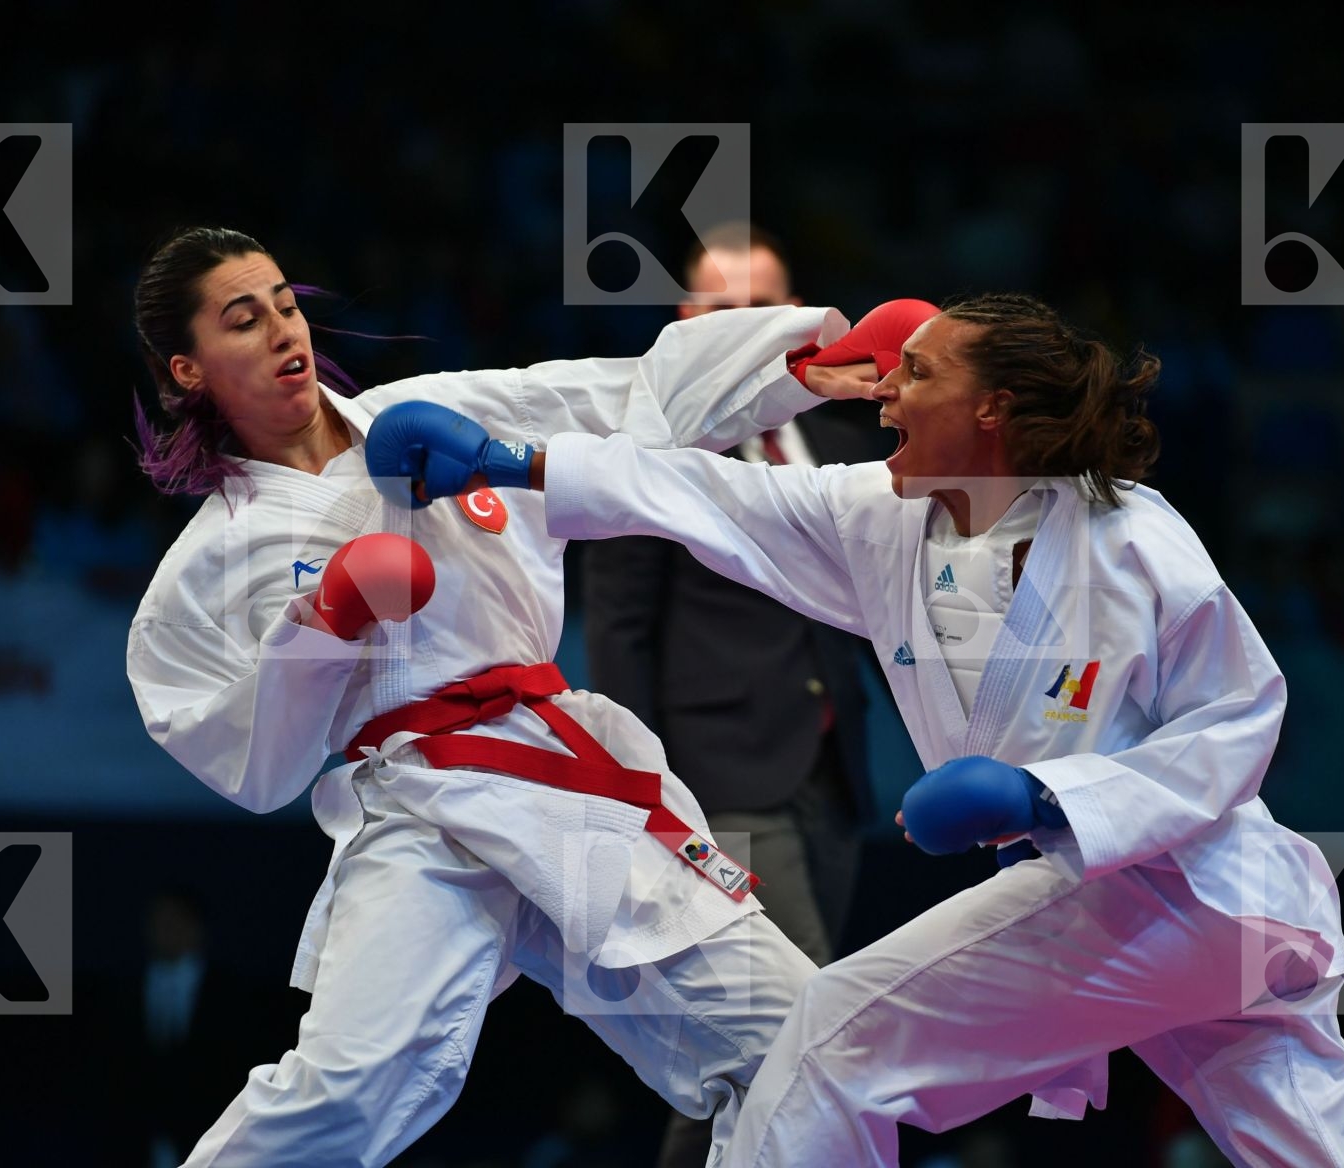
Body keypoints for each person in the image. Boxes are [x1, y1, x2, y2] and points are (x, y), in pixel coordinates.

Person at [389, 293, 1344, 1166]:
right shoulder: (877, 516)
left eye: (916, 374)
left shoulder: (1128, 534)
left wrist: (1050, 798)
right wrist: (517, 461)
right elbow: (709, 495)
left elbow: (1241, 713)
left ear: (990, 409)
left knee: (832, 1046)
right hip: (1188, 923)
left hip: (1183, 889)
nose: (884, 395)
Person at [123, 226, 904, 1166]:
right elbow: (254, 765)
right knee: (347, 1085)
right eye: (242, 322)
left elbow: (629, 398)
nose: (282, 330)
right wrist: (322, 624)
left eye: (286, 303)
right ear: (190, 368)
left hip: (562, 780)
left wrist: (802, 359)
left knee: (795, 1045)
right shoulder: (208, 563)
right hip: (420, 810)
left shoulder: (427, 411)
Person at [586, 225, 894, 1168]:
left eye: (767, 306)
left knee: (751, 1047)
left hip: (831, 773)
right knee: (806, 1012)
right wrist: (651, 797)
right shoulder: (647, 448)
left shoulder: (842, 441)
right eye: (726, 309)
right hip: (717, 779)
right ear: (687, 323)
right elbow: (619, 632)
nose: (749, 324)